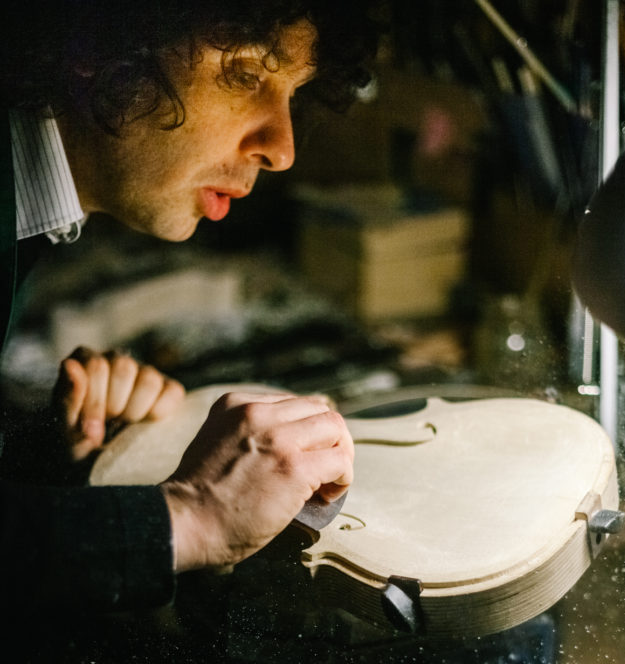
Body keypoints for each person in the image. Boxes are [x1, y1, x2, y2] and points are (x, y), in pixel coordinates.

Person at [0, 0, 381, 616]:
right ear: (100, 42)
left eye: (293, 92)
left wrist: (56, 458)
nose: (281, 148)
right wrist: (191, 519)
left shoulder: (30, 211)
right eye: (246, 74)